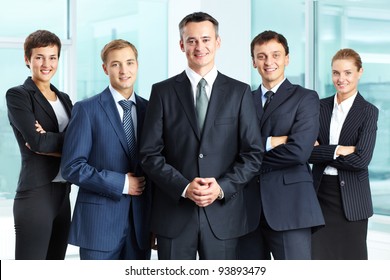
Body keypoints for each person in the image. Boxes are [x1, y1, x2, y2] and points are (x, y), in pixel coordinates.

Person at [139, 12, 263, 260]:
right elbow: (149, 154)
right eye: (192, 40)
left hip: (223, 216)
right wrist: (184, 187)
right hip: (174, 216)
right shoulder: (162, 92)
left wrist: (220, 188)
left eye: (206, 39)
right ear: (181, 44)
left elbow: (253, 155)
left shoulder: (239, 93)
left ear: (217, 42)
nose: (199, 47)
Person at [61, 39, 152, 260]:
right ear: (105, 68)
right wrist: (121, 183)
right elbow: (72, 167)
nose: (124, 70)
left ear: (137, 65)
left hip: (141, 225)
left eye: (129, 62)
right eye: (115, 64)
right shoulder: (86, 109)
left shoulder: (150, 109)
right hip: (98, 226)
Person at [238, 30, 325, 260]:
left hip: (291, 208)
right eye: (262, 56)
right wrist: (272, 141)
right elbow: (229, 146)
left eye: (276, 55)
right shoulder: (242, 99)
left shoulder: (305, 98)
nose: (269, 62)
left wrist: (246, 160)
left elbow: (299, 151)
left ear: (287, 58)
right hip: (247, 209)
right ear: (254, 61)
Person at [6, 30, 73, 260]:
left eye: (52, 57)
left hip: (64, 195)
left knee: (55, 267)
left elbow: (81, 144)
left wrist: (49, 141)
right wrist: (66, 143)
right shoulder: (19, 95)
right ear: (27, 59)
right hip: (36, 194)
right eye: (39, 57)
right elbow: (36, 142)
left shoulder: (64, 98)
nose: (47, 64)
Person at [309, 49, 379, 260]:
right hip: (319, 196)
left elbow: (361, 159)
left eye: (348, 73)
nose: (341, 79)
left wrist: (322, 150)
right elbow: (306, 153)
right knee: (317, 262)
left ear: (360, 72)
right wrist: (339, 149)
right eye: (336, 73)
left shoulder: (368, 111)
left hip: (352, 202)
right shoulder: (318, 107)